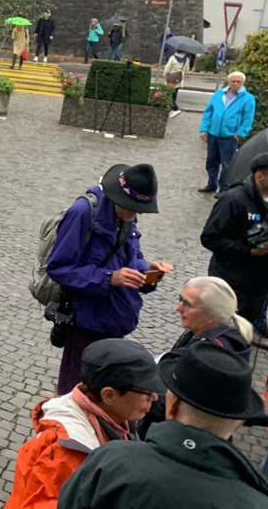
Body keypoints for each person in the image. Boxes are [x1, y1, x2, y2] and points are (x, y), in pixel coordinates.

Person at [57, 343, 268, 509]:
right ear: (238, 424)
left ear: (172, 405)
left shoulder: (110, 461)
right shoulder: (259, 503)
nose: (153, 398)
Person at [46, 163, 173, 396]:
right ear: (117, 196)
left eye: (140, 208)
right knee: (77, 389)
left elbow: (131, 257)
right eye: (133, 207)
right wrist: (108, 278)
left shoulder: (125, 215)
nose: (137, 213)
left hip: (114, 319)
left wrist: (147, 271)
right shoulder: (83, 213)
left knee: (101, 390)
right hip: (86, 321)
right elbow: (58, 267)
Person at [4, 339, 162, 509]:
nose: (154, 398)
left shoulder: (118, 419)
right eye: (146, 392)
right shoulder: (67, 453)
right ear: (109, 395)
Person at [136, 277, 253, 439]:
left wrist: (137, 398)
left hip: (176, 435)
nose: (178, 308)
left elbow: (185, 406)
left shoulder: (212, 355)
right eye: (180, 299)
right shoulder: (207, 331)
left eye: (187, 304)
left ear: (212, 314)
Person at [201, 152, 268, 337]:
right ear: (260, 175)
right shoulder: (233, 199)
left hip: (259, 281)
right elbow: (210, 238)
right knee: (218, 333)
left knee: (242, 334)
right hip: (232, 280)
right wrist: (249, 251)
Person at [198, 72, 256, 195]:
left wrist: (240, 133)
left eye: (238, 82)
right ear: (228, 81)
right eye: (233, 81)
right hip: (213, 133)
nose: (235, 84)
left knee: (227, 164)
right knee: (211, 161)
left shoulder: (248, 98)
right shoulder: (219, 94)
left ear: (242, 83)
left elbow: (248, 118)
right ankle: (211, 184)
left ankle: (223, 188)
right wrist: (204, 128)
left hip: (230, 136)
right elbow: (208, 112)